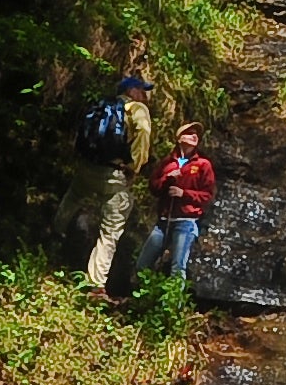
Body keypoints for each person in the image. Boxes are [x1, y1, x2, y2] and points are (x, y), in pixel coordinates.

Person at [80, 68, 156, 292]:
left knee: (73, 199)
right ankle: (95, 284)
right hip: (114, 173)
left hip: (88, 168)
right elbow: (142, 133)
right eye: (142, 90)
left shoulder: (105, 106)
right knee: (110, 230)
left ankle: (51, 246)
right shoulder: (136, 109)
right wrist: (135, 167)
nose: (144, 95)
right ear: (132, 91)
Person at [140, 123, 218, 285]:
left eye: (196, 134)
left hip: (186, 222)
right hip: (163, 221)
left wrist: (184, 194)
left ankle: (174, 306)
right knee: (142, 264)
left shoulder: (203, 165)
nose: (194, 136)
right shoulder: (167, 163)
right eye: (190, 133)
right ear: (179, 138)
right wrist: (167, 179)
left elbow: (208, 196)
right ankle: (143, 300)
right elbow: (154, 188)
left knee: (177, 267)